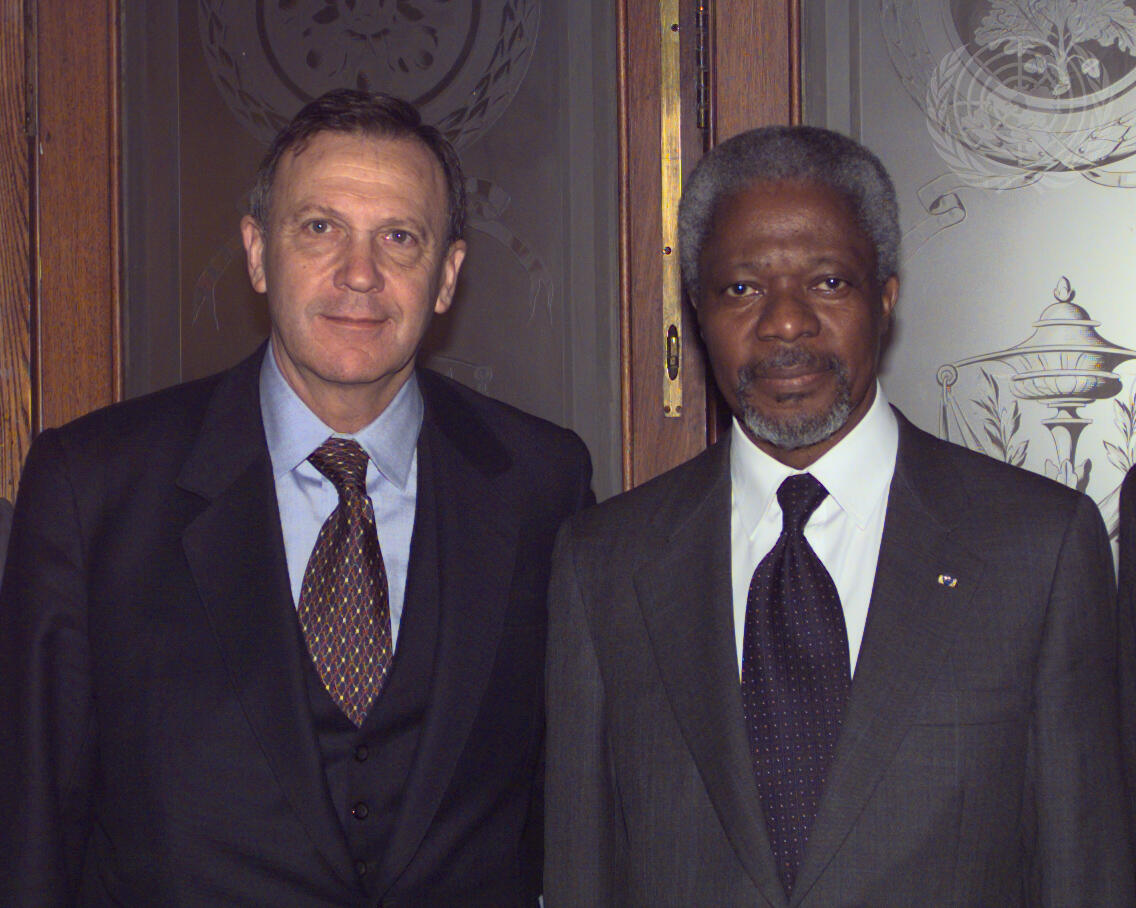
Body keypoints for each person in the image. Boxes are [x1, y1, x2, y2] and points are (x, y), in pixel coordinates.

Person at [0, 89, 593, 906]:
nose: (360, 274)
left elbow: (573, 811)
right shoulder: (93, 488)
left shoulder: (543, 484)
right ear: (256, 254)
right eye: (319, 228)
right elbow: (33, 832)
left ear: (447, 276)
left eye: (399, 237)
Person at [544, 125, 1134, 905]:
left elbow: (1086, 870)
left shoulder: (1039, 549)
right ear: (697, 310)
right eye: (741, 289)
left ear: (884, 298)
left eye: (827, 282)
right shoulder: (604, 563)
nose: (785, 323)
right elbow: (581, 872)